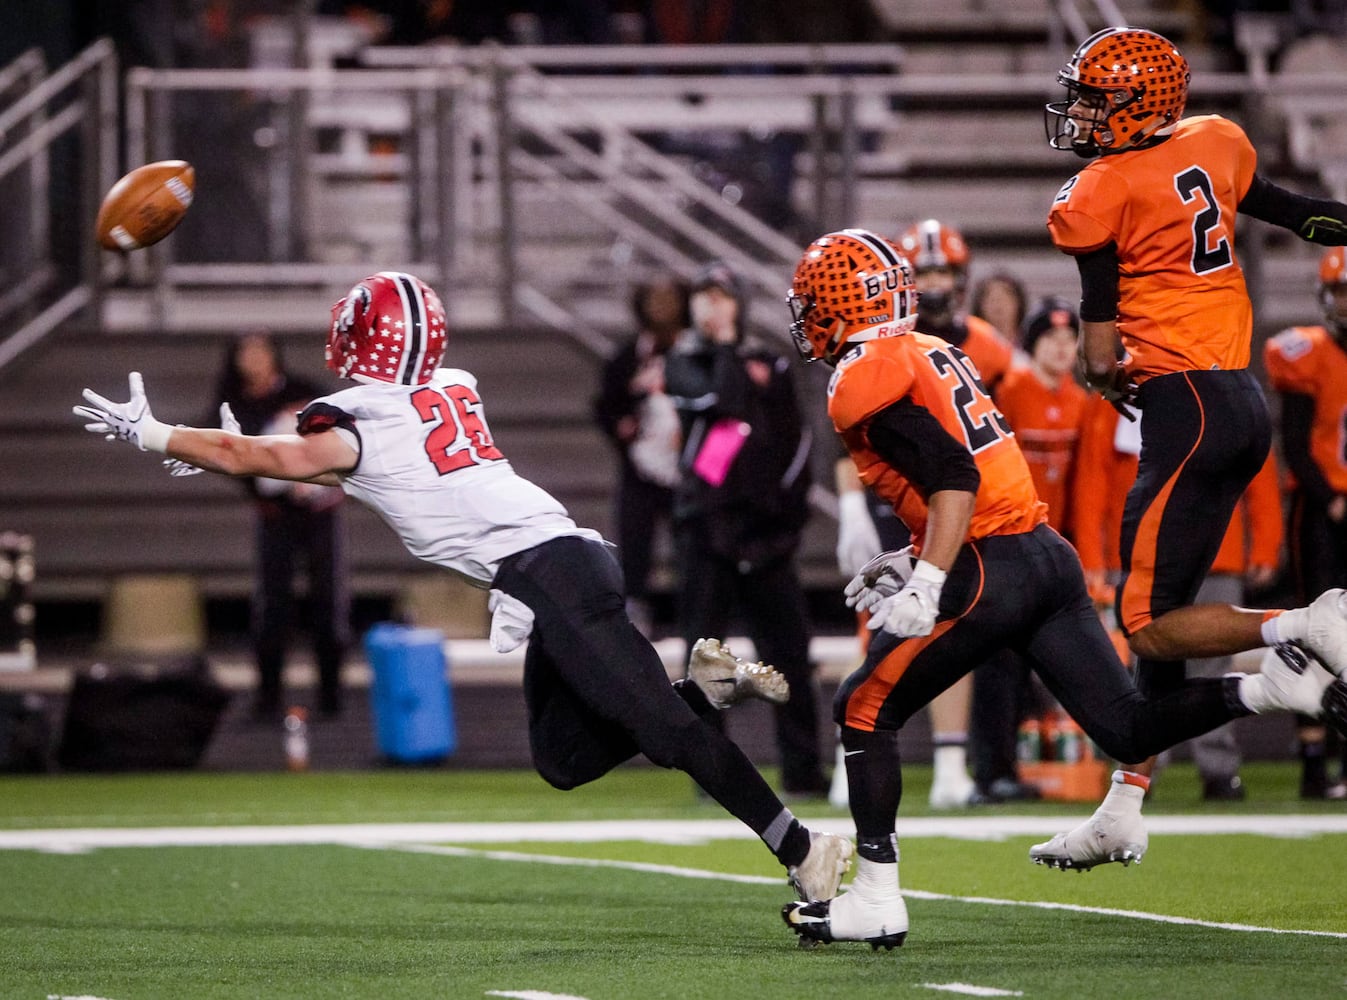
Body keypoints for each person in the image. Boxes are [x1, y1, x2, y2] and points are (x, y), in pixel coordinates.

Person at [73, 270, 853, 907]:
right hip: (554, 567)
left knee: (665, 738)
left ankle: (801, 847)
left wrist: (156, 434)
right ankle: (702, 690)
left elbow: (264, 460)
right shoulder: (451, 385)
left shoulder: (358, 422)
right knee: (563, 759)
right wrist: (227, 447)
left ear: (360, 336)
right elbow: (276, 451)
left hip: (553, 571)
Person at [777, 228, 1343, 950]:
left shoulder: (863, 372)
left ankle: (876, 898)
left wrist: (926, 578)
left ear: (838, 305)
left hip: (989, 567)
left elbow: (954, 476)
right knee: (1126, 727)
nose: (804, 320)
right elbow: (962, 476)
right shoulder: (932, 349)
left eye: (811, 304)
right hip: (1046, 555)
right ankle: (1268, 691)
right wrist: (912, 551)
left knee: (860, 709)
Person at [1038, 25, 1347, 866]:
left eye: (1094, 100)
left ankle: (1302, 626)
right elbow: (1299, 215)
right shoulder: (1216, 141)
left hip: (1182, 405)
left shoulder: (1095, 192)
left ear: (1137, 103)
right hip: (1238, 401)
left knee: (1142, 624)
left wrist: (1103, 382)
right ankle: (1122, 803)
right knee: (1168, 614)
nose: (1078, 114)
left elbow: (1099, 351)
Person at [663, 261, 827, 796]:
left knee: (789, 656)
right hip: (706, 535)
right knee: (705, 658)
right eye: (703, 297)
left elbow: (795, 439)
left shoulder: (771, 364)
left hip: (766, 534)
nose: (711, 307)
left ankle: (803, 770)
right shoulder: (684, 363)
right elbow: (720, 407)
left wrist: (784, 519)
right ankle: (711, 774)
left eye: (721, 297)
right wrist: (729, 350)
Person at [212, 330, 350, 720]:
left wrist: (317, 476)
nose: (254, 360)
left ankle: (331, 698)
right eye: (246, 352)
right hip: (275, 518)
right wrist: (267, 482)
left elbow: (346, 432)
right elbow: (220, 453)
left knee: (329, 605)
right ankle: (268, 697)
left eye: (261, 351)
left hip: (321, 515)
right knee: (272, 608)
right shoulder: (235, 404)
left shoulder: (306, 390)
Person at [1264, 246, 1347, 799]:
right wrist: (1332, 499)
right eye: (1342, 291)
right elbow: (1295, 445)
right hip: (1324, 511)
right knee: (1316, 630)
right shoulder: (1304, 354)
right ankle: (1314, 761)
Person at [592, 275, 689, 635]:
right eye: (654, 301)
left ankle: (697, 615)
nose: (662, 309)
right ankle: (636, 614)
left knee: (694, 548)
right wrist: (622, 428)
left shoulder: (701, 354)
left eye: (669, 300)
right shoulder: (627, 357)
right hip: (641, 469)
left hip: (692, 472)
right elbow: (605, 406)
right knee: (634, 543)